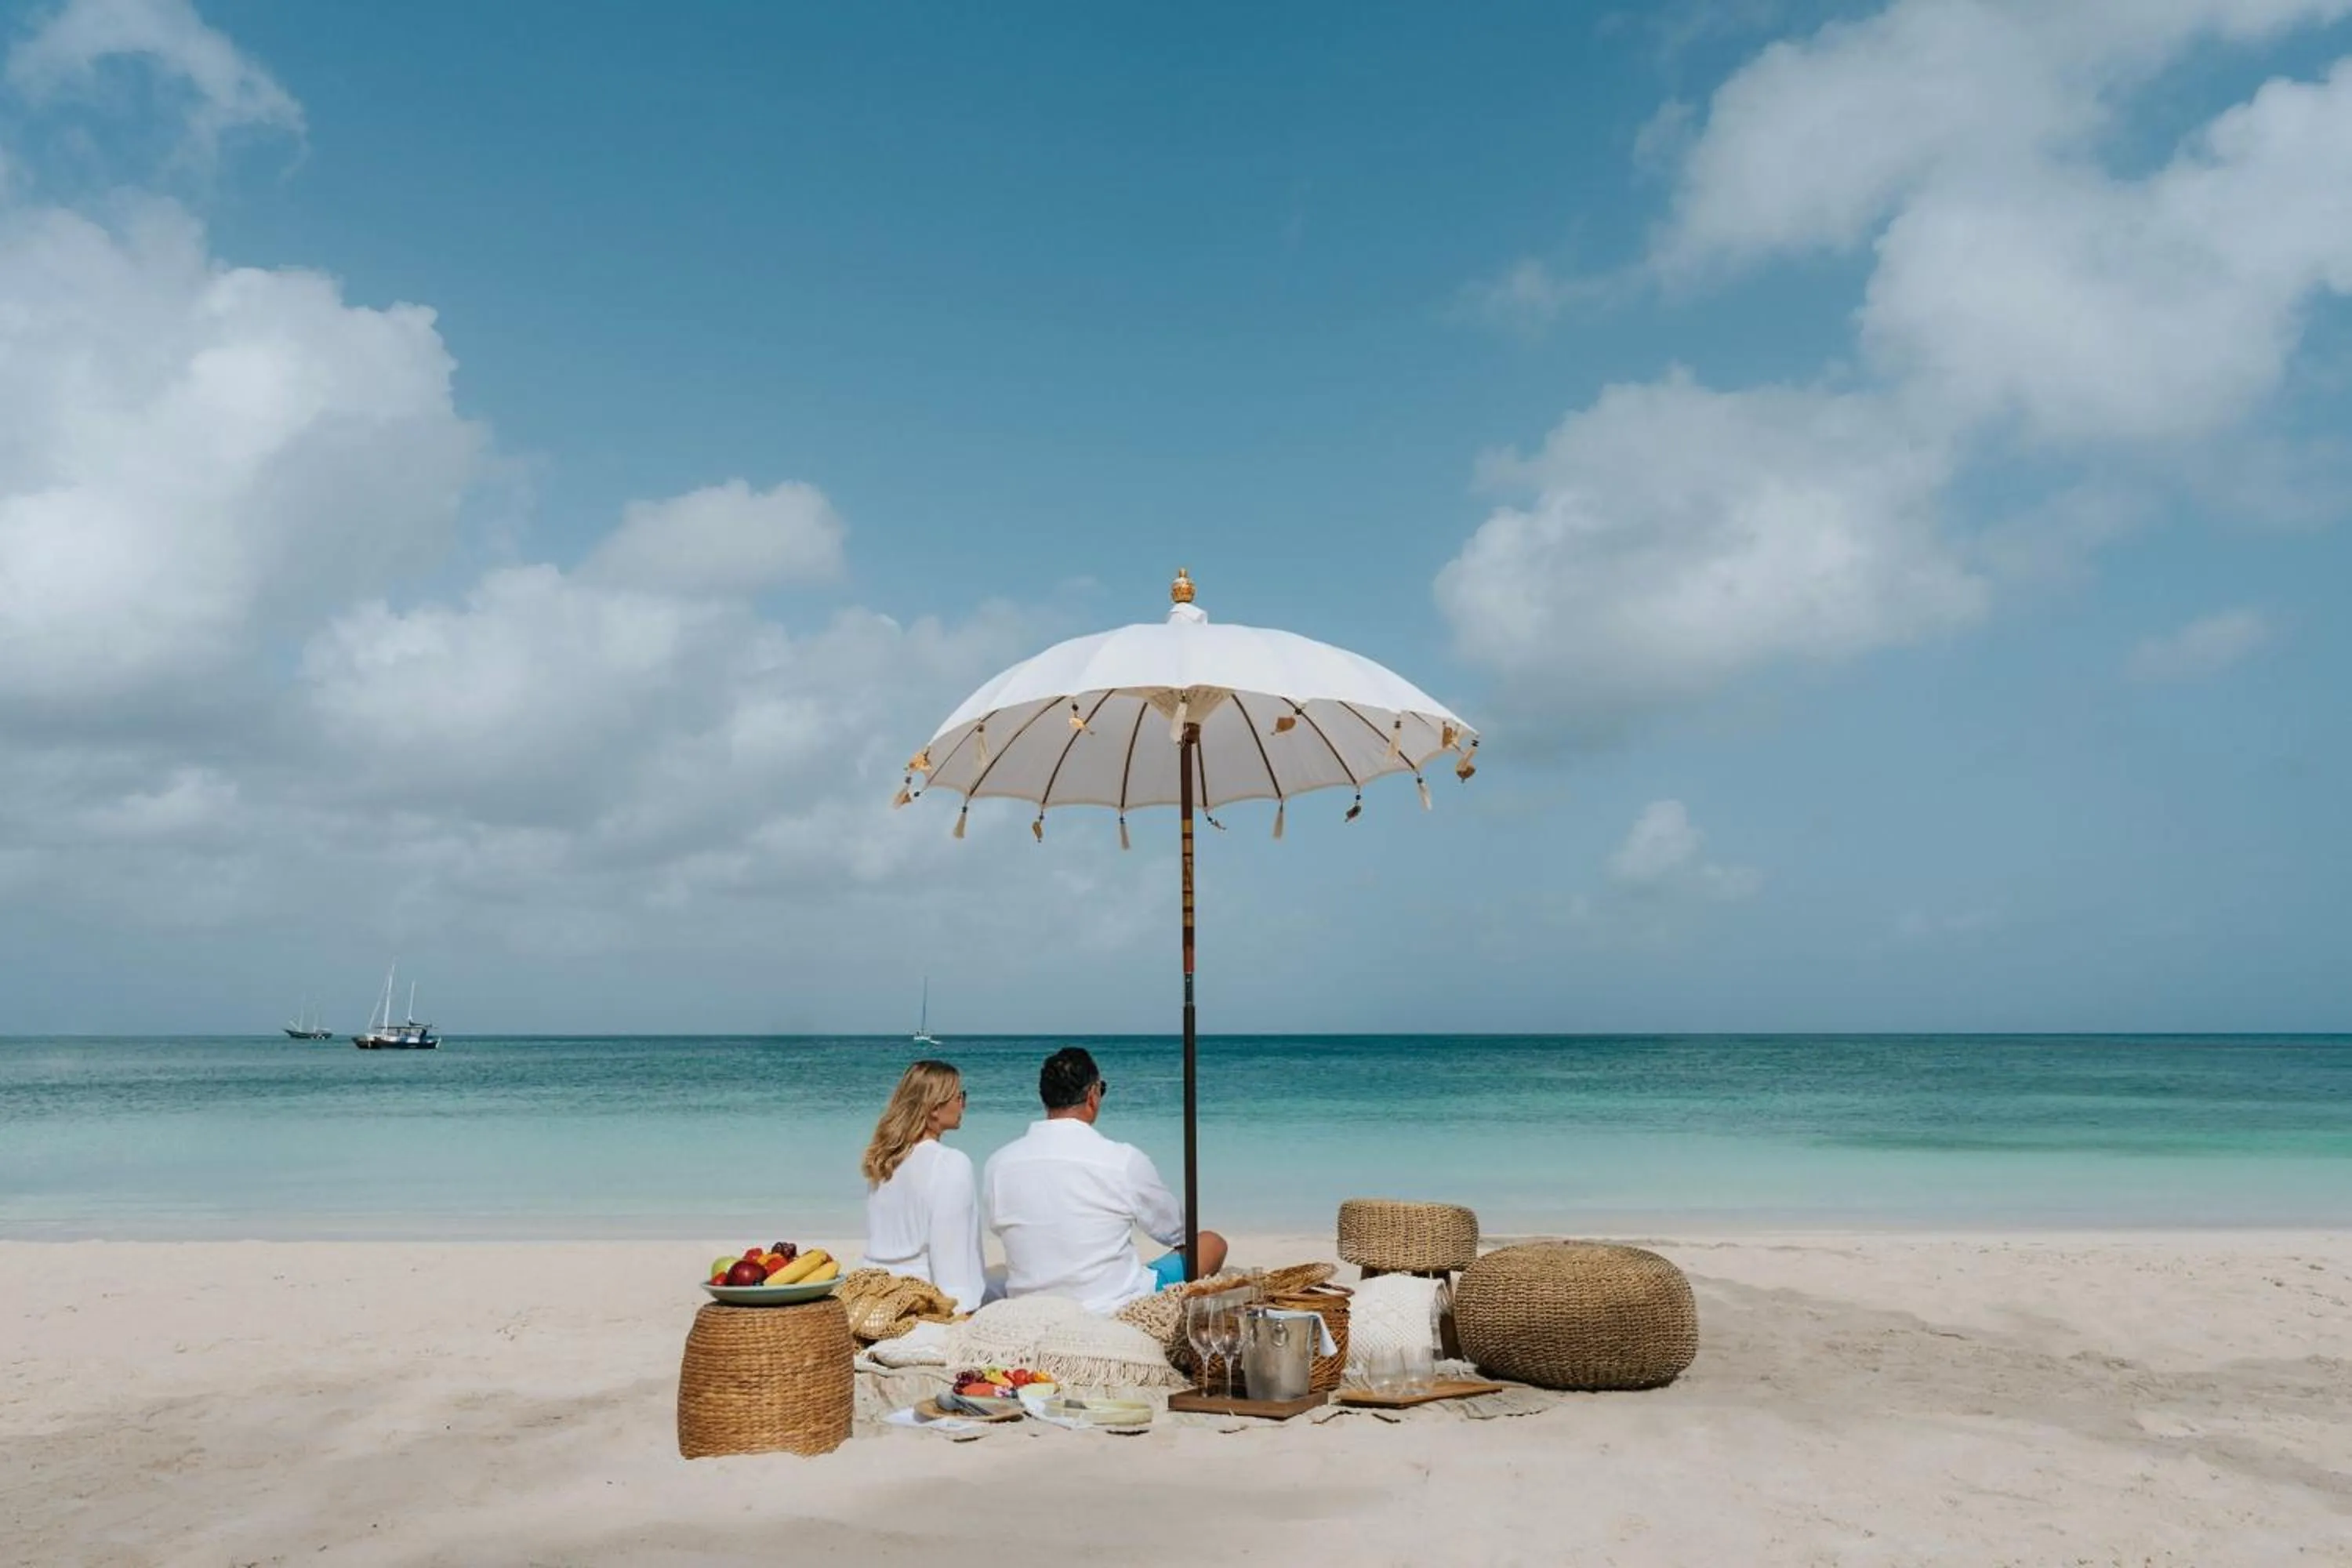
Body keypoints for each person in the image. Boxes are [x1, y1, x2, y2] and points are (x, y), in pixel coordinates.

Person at [982, 1046, 1228, 1315]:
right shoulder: (1123, 1161)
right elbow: (1179, 1234)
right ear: (1092, 1096)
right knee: (1211, 1243)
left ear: (1045, 1099)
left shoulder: (999, 1163)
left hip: (1032, 1303)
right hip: (1116, 1307)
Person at [860, 1059, 986, 1312]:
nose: (963, 1104)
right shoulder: (949, 1163)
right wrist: (962, 1311)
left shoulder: (883, 1162)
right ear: (934, 1109)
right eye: (959, 1096)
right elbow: (951, 1266)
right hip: (920, 1302)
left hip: (874, 1298)